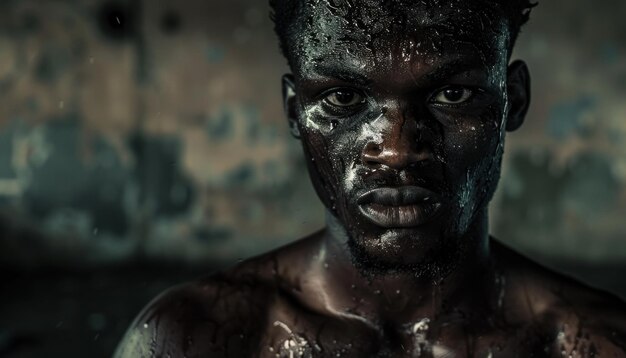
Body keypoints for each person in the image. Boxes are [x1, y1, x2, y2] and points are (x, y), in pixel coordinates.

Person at [115, 0, 626, 356]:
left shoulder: (594, 343)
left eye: (452, 95)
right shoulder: (193, 339)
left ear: (512, 100)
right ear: (296, 112)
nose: (398, 150)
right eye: (343, 98)